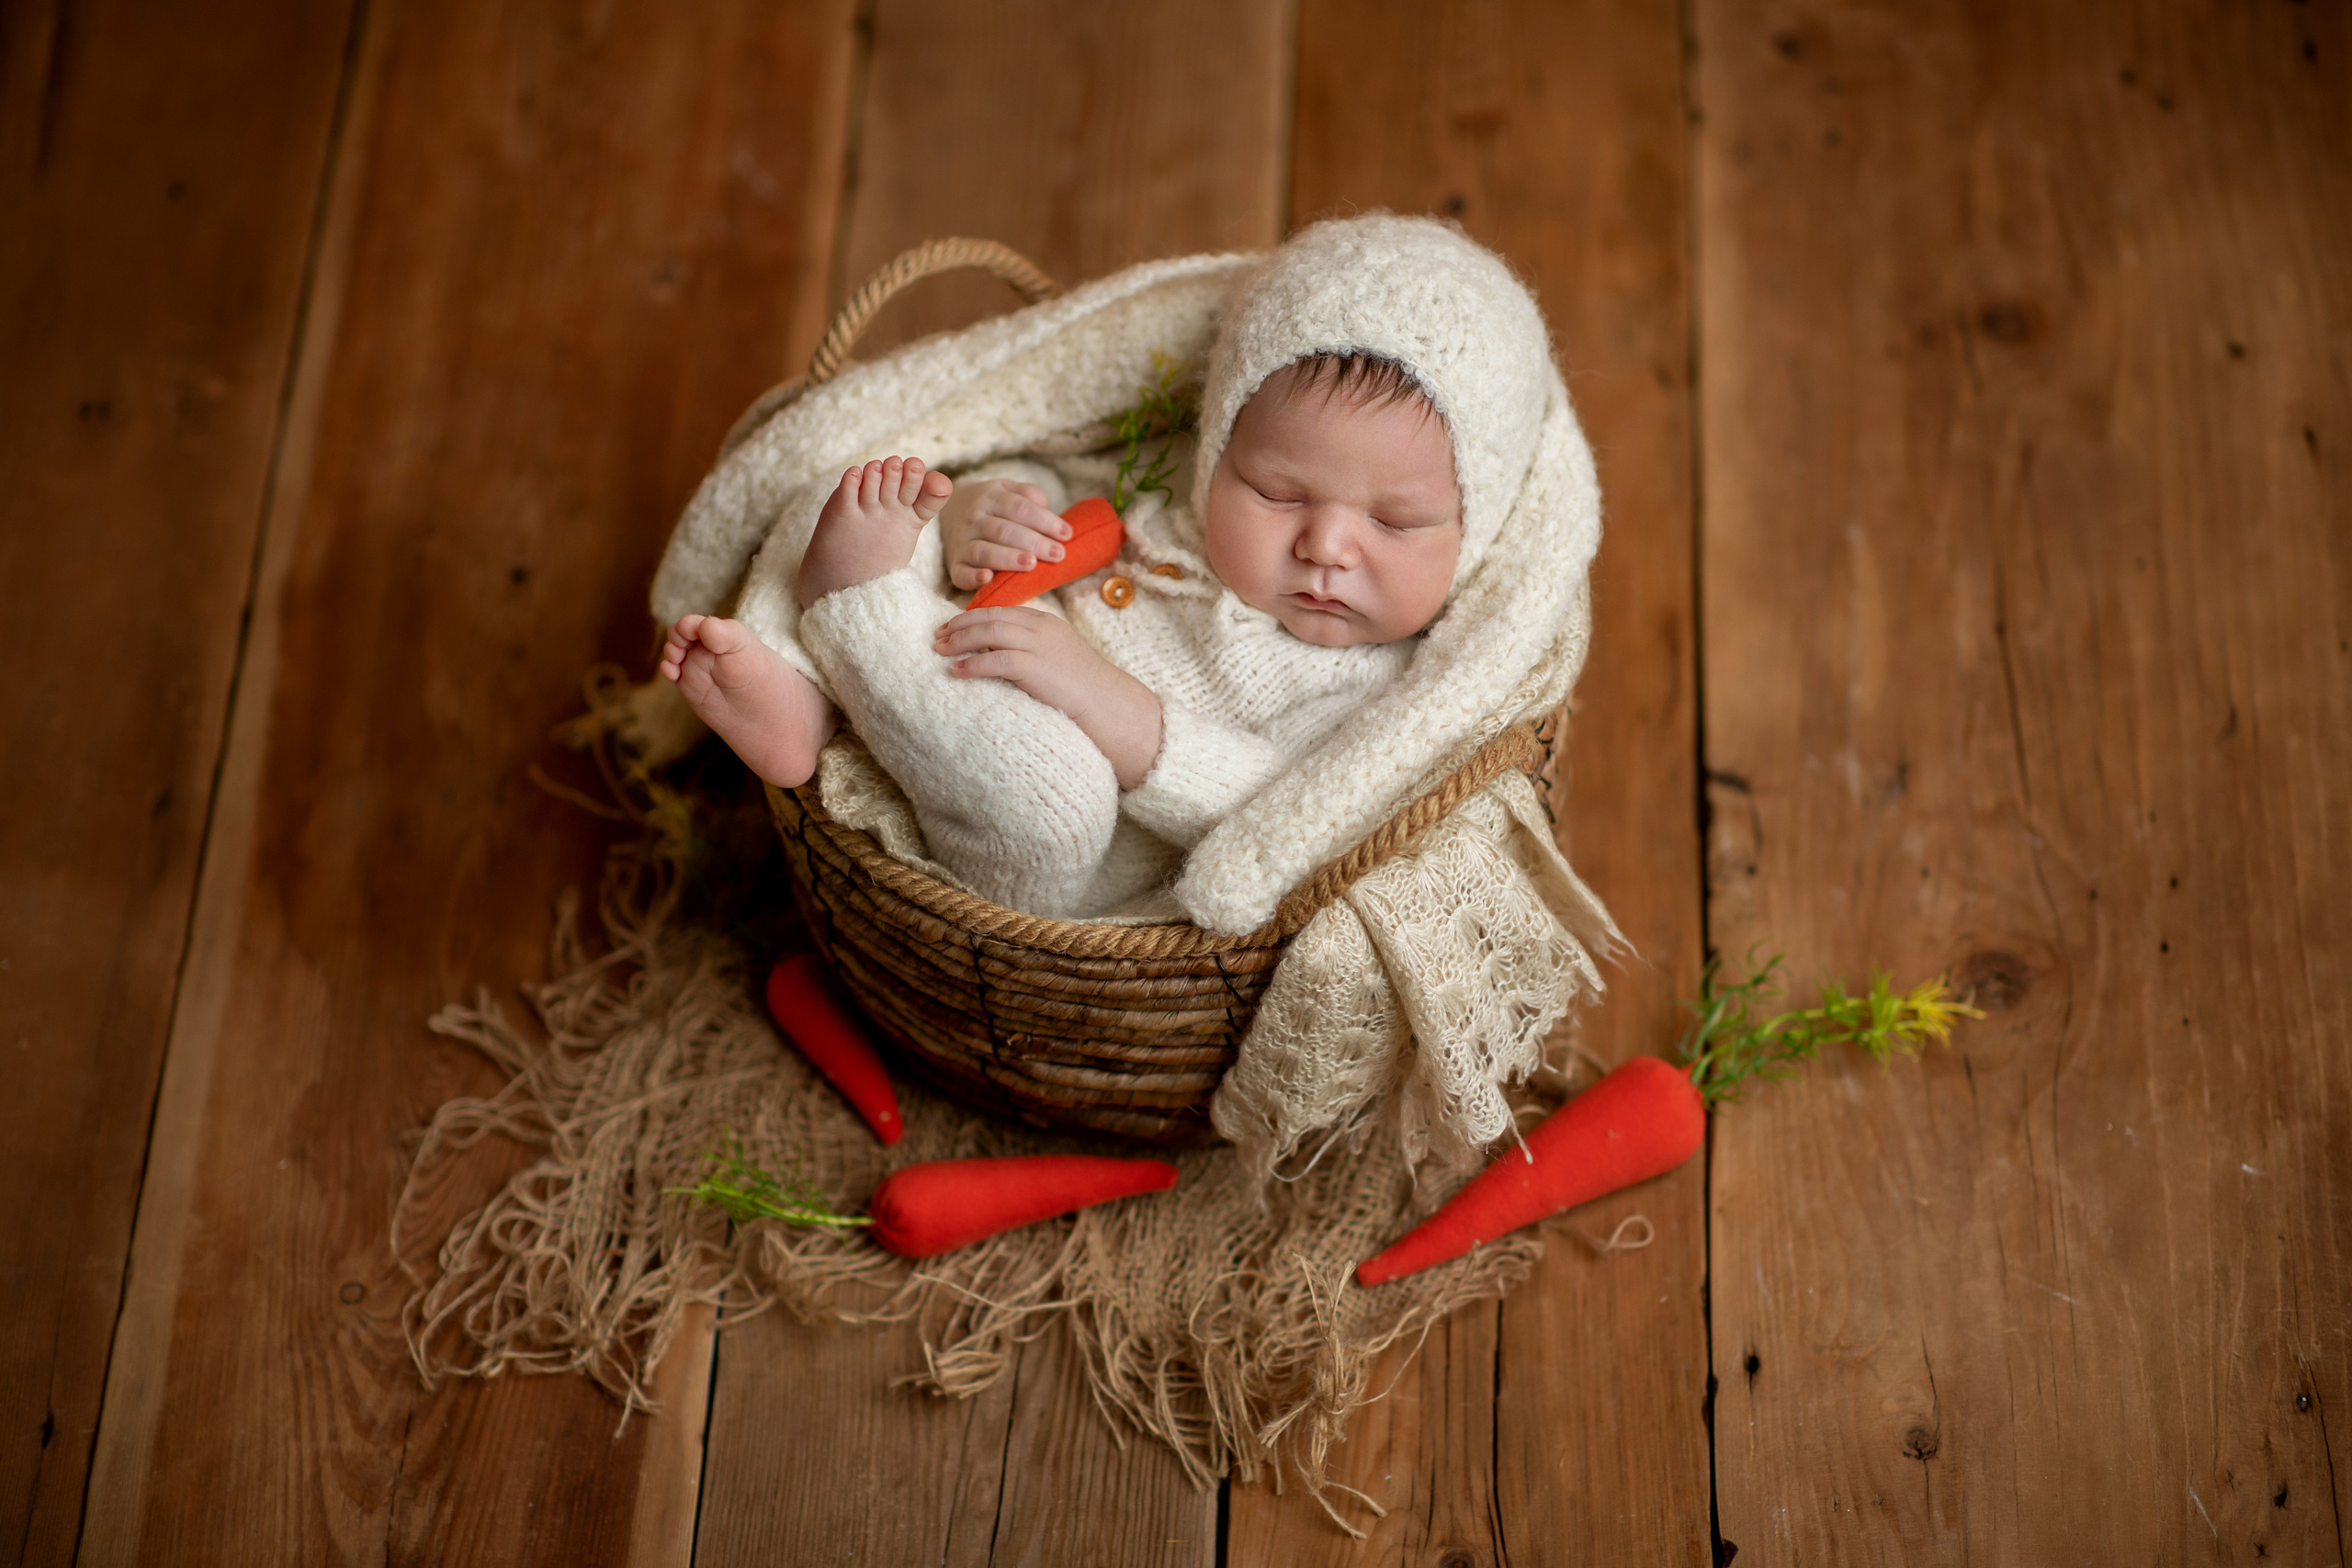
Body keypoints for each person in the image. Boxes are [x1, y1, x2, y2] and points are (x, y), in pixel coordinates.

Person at [661, 215, 1552, 920]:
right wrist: (984, 513)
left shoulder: (1384, 685)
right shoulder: (1166, 479)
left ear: (1473, 530)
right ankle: (805, 695)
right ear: (1218, 448)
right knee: (864, 486)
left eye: (1394, 522)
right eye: (1277, 493)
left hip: (1061, 840)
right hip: (960, 658)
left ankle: (853, 620)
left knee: (1057, 800)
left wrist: (1105, 702)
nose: (1327, 545)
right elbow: (1058, 477)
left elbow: (1277, 806)